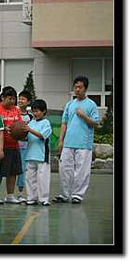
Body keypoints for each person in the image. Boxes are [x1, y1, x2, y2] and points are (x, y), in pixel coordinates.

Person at [53, 76, 100, 204]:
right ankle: (64, 194)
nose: (77, 90)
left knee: (81, 171)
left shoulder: (91, 105)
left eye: (80, 87)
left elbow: (96, 123)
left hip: (84, 144)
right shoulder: (70, 104)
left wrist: (84, 116)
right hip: (69, 142)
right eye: (75, 87)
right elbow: (64, 123)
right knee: (64, 169)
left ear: (85, 89)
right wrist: (61, 141)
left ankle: (77, 195)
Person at [0, 86, 23, 204]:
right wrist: (3, 128)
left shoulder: (16, 110)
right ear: (3, 97)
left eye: (13, 99)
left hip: (14, 145)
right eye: (9, 98)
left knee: (13, 172)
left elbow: (19, 123)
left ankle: (10, 195)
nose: (12, 101)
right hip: (2, 145)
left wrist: (21, 130)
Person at [23, 99, 52, 206]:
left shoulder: (46, 123)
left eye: (37, 111)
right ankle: (31, 197)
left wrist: (29, 130)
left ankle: (43, 198)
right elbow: (26, 138)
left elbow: (42, 135)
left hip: (42, 155)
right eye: (33, 111)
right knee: (30, 178)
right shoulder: (31, 123)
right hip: (30, 154)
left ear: (44, 111)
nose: (35, 113)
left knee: (42, 178)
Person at [16, 90, 33, 203]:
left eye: (23, 99)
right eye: (19, 98)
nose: (20, 100)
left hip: (25, 146)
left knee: (22, 170)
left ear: (28, 102)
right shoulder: (14, 114)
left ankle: (20, 193)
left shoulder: (31, 117)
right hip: (13, 145)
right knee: (10, 171)